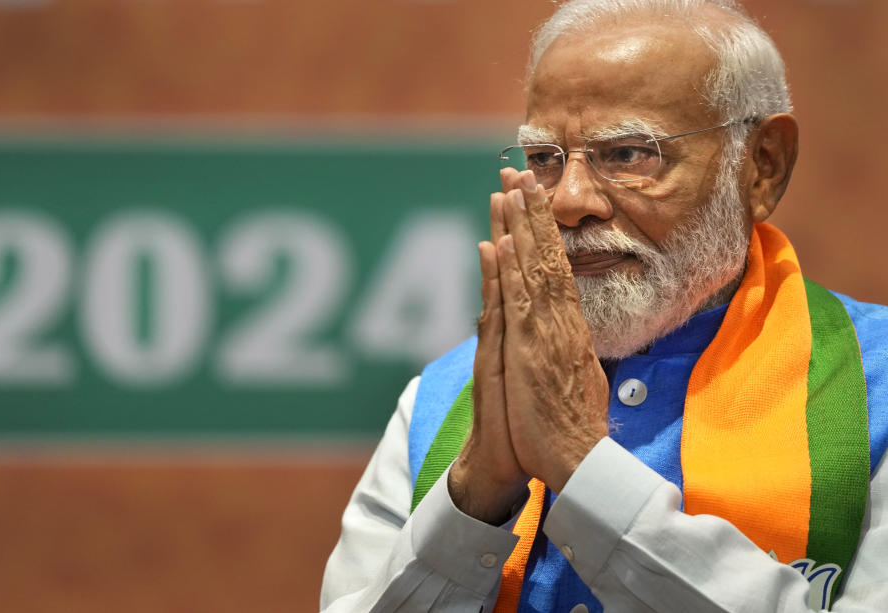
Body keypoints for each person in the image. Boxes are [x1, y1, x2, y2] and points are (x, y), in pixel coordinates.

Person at [320, 1, 888, 611]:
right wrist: (474, 493)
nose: (569, 202)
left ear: (762, 166)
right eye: (543, 160)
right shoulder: (446, 397)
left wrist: (581, 469)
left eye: (627, 154)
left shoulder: (872, 383)